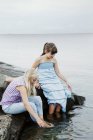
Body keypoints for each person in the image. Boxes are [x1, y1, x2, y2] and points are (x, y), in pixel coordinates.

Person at [31, 43, 72, 116]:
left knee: (62, 94)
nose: (52, 56)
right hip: (44, 80)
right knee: (53, 96)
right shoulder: (39, 59)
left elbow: (58, 73)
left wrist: (67, 81)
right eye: (51, 54)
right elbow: (31, 71)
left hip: (54, 80)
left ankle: (57, 114)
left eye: (54, 54)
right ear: (46, 51)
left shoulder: (54, 60)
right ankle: (50, 116)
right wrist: (35, 82)